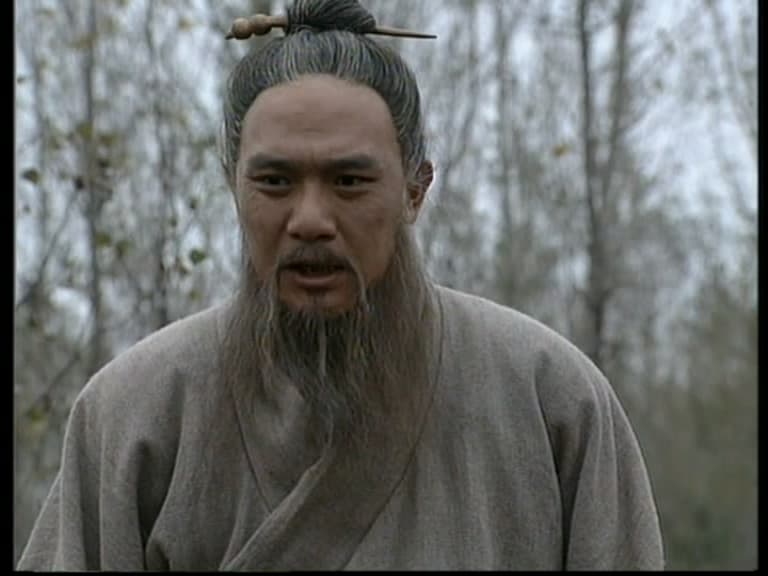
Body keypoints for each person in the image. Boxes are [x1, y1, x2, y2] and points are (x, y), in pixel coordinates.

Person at [17, 0, 664, 570]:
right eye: (275, 182)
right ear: (233, 186)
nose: (310, 220)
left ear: (415, 189)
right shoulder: (133, 415)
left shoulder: (552, 401)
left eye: (349, 182)